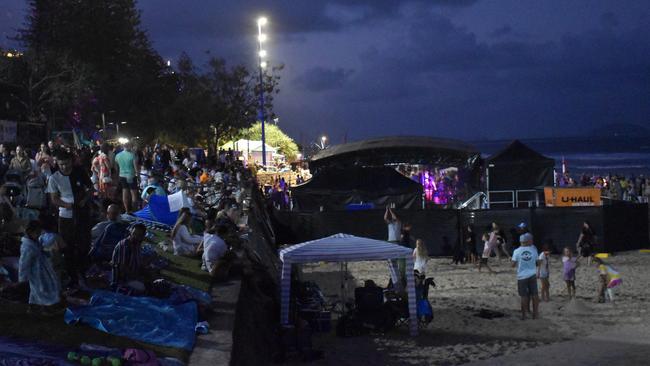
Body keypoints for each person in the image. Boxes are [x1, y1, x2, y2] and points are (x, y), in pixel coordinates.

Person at [46, 150, 93, 289]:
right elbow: (54, 199)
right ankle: (72, 276)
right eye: (61, 164)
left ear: (71, 161)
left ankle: (83, 272)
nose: (64, 167)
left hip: (82, 213)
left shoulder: (79, 172)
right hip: (66, 216)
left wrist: (84, 200)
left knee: (84, 243)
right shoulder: (54, 178)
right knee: (68, 246)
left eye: (66, 164)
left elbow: (90, 188)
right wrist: (68, 205)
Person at [18, 220, 61, 312]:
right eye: (36, 232)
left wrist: (48, 252)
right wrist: (22, 278)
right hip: (36, 272)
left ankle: (34, 306)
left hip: (42, 270)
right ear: (29, 232)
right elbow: (24, 263)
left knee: (36, 290)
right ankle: (46, 307)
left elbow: (40, 251)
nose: (38, 235)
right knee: (41, 289)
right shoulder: (27, 247)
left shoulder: (34, 242)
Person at [511, 223, 539, 320]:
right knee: (534, 295)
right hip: (532, 275)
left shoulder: (517, 251)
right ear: (528, 241)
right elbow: (537, 263)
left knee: (524, 296)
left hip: (522, 276)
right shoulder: (534, 249)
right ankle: (535, 314)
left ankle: (524, 315)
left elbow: (513, 265)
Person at [111, 223, 147, 290]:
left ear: (143, 236)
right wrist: (137, 277)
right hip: (122, 280)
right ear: (130, 232)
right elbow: (122, 270)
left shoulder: (137, 244)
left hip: (133, 276)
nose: (135, 236)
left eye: (139, 235)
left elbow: (137, 263)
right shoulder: (125, 245)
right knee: (143, 288)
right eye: (134, 233)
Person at [115, 142, 139, 213]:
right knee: (133, 194)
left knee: (125, 192)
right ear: (129, 146)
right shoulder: (132, 155)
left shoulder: (117, 155)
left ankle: (127, 210)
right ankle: (135, 211)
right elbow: (136, 169)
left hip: (122, 176)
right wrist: (139, 178)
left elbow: (117, 168)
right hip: (131, 176)